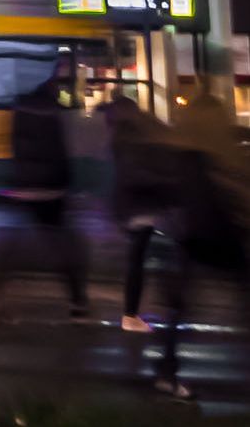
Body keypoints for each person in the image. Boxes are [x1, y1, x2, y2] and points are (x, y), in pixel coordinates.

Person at [149, 96, 250, 398]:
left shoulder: (176, 153)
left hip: (186, 241)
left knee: (177, 311)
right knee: (244, 298)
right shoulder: (221, 154)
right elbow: (238, 194)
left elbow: (166, 197)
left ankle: (167, 372)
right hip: (224, 238)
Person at [0, 60, 86, 322]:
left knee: (14, 248)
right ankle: (77, 302)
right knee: (65, 248)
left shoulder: (20, 109)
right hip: (51, 190)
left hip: (24, 187)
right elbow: (62, 152)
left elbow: (12, 147)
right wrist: (68, 186)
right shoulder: (54, 112)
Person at [105, 94, 175, 332]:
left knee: (140, 258)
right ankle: (131, 314)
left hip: (130, 205)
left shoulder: (120, 137)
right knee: (141, 259)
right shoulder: (134, 136)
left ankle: (133, 313)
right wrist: (163, 182)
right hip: (141, 206)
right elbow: (136, 173)